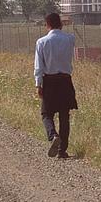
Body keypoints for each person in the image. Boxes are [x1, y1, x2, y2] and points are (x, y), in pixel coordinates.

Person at [34, 13, 78, 159]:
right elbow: (72, 37)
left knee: (46, 114)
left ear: (47, 25)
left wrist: (38, 84)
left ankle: (53, 135)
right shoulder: (69, 39)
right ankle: (62, 150)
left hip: (50, 81)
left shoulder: (41, 42)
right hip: (65, 81)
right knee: (64, 116)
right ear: (61, 24)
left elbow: (39, 66)